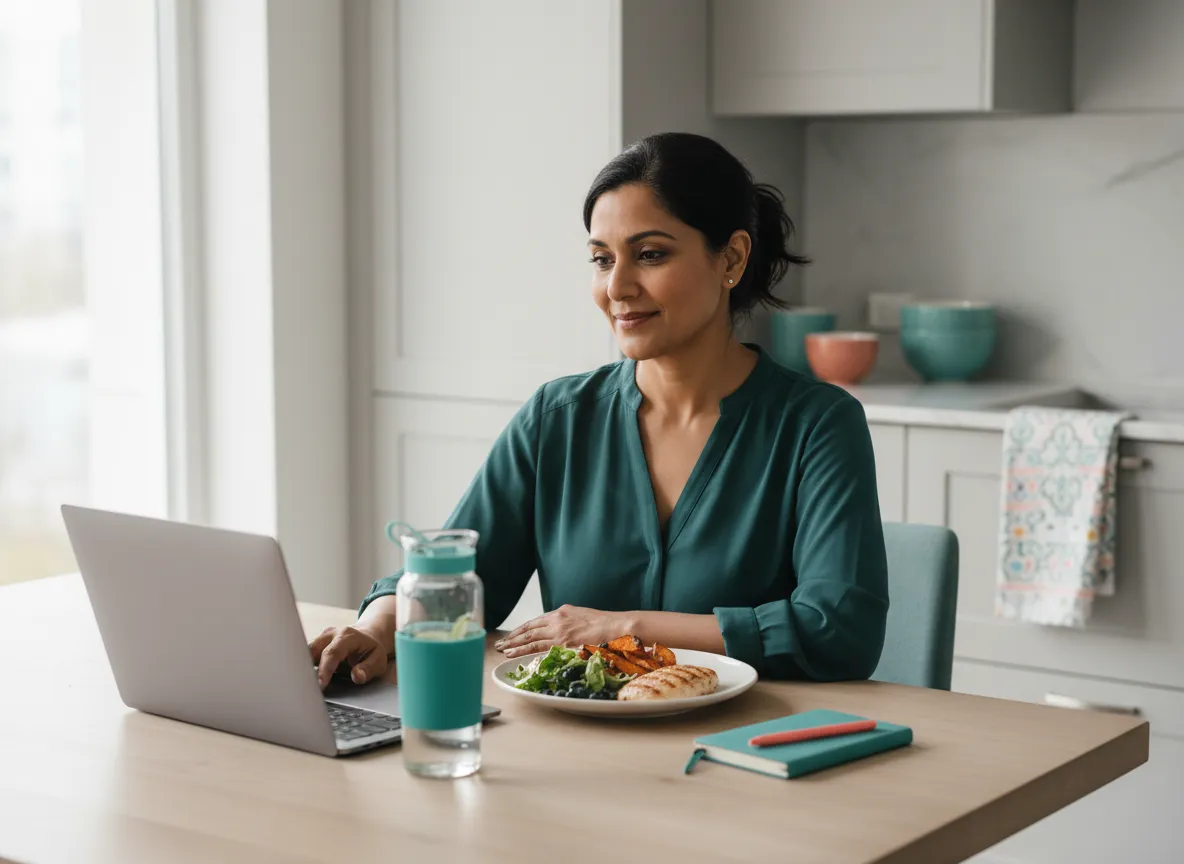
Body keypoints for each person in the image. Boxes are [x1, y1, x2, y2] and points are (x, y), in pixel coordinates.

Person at [310, 132, 888, 689]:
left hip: (747, 755)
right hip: (576, 748)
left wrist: (622, 627)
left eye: (650, 255)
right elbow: (461, 578)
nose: (618, 287)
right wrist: (377, 625)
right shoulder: (557, 417)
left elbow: (839, 630)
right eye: (601, 259)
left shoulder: (817, 424)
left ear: (731, 258)